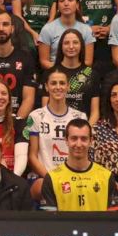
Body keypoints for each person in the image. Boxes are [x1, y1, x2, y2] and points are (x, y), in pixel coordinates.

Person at [25, 68, 88, 202]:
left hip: (73, 176)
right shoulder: (35, 116)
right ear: (46, 87)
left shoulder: (80, 117)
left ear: (68, 87)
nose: (58, 87)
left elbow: (84, 153)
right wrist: (52, 178)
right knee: (43, 187)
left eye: (62, 83)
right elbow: (32, 156)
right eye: (53, 83)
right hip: (45, 177)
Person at [40, 119, 118, 212]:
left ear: (91, 141)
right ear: (66, 140)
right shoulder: (52, 178)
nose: (78, 144)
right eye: (74, 138)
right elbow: (49, 219)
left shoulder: (106, 176)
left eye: (84, 139)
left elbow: (113, 219)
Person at [38, 0, 95, 69]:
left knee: (91, 74)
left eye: (70, 0)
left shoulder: (86, 30)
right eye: (62, 1)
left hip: (80, 73)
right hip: (55, 72)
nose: (66, 3)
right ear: (58, 6)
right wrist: (63, 71)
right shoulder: (47, 29)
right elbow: (44, 62)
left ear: (77, 4)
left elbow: (88, 62)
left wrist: (73, 72)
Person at [51, 29, 100, 120]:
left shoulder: (91, 74)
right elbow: (46, 109)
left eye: (75, 42)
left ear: (81, 45)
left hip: (84, 126)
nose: (71, 46)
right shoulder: (51, 73)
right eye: (66, 43)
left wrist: (87, 128)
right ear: (61, 46)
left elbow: (95, 112)